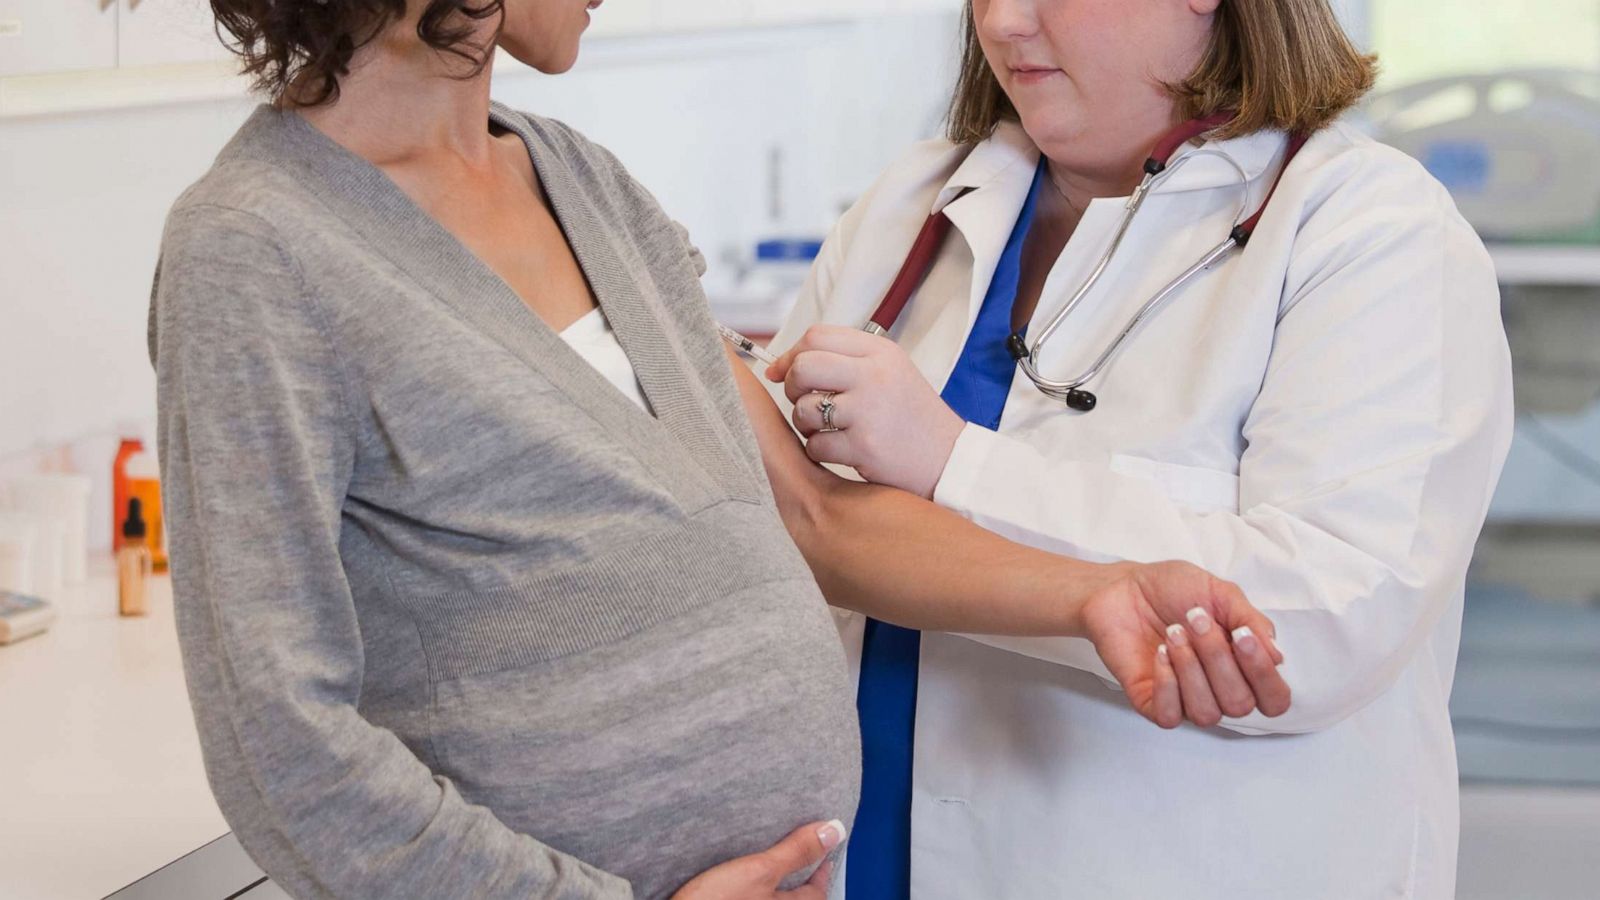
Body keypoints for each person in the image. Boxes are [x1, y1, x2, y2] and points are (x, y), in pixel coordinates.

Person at [151, 1, 1288, 898]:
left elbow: (809, 515)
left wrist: (1101, 592)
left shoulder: (577, 180)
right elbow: (279, 745)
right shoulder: (256, 251)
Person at [764, 0, 1514, 898]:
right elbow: (775, 531)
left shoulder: (1370, 228)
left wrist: (952, 462)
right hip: (855, 857)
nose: (1002, 23)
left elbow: (1325, 621)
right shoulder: (909, 204)